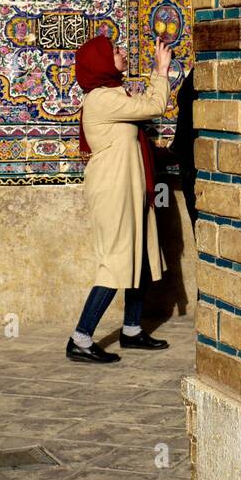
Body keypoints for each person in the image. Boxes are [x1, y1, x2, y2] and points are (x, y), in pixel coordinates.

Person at [66, 34, 173, 363]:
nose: (123, 53)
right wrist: (161, 70)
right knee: (116, 260)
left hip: (129, 184)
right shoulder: (100, 98)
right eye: (116, 51)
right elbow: (154, 106)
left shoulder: (113, 93)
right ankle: (81, 338)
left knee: (138, 255)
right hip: (113, 187)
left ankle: (131, 329)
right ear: (100, 62)